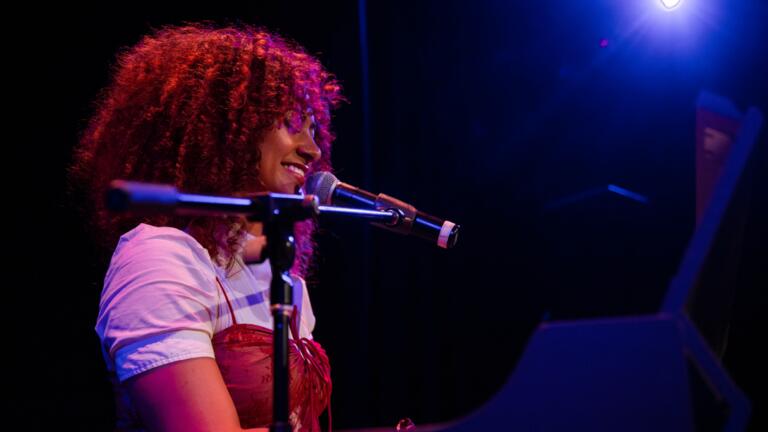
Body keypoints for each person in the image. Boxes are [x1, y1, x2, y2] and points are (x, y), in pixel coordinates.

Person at [69, 23, 343, 432]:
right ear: (223, 126)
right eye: (289, 122)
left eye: (313, 128)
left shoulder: (284, 277)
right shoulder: (159, 258)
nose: (313, 149)